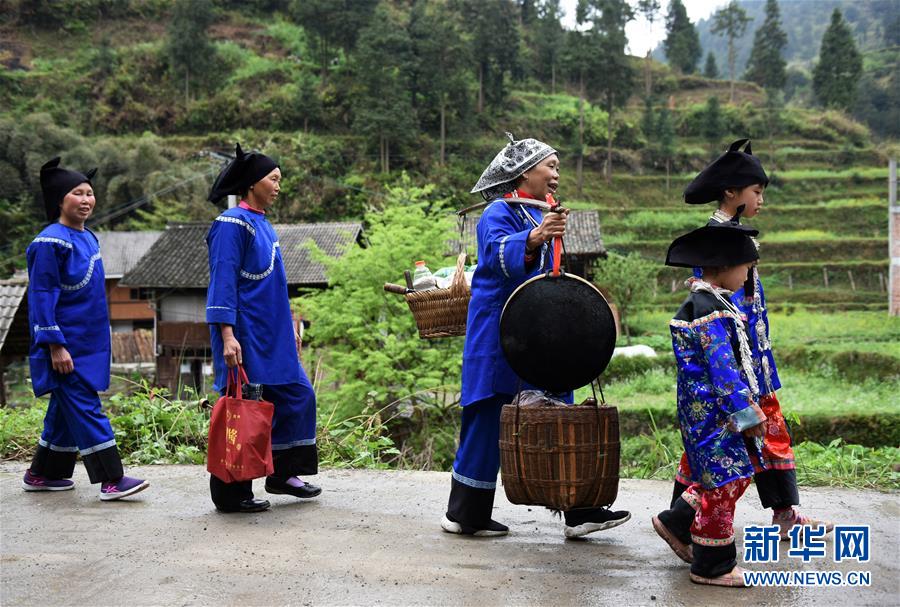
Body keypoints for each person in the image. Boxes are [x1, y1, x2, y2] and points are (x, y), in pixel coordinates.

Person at [441, 133, 631, 538]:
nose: (557, 174)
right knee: (488, 418)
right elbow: (496, 255)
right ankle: (466, 513)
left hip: (541, 334)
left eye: (558, 167)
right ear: (525, 172)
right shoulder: (499, 212)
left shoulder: (540, 211)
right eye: (551, 166)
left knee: (561, 413)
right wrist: (534, 238)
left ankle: (579, 509)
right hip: (499, 335)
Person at [653, 140, 832, 565]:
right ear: (731, 192)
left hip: (751, 361)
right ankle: (690, 521)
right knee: (734, 441)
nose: (761, 200)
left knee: (744, 438)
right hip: (733, 367)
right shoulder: (717, 243)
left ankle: (695, 517)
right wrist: (739, 374)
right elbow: (720, 314)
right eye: (756, 191)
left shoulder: (735, 236)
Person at [23, 157, 149, 501]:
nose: (86, 200)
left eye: (89, 193)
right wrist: (54, 345)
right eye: (77, 193)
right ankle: (112, 479)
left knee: (65, 410)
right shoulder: (49, 242)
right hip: (65, 346)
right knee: (86, 406)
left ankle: (41, 474)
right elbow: (42, 296)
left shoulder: (88, 237)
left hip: (89, 342)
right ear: (59, 200)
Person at [205, 143, 320, 514]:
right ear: (253, 182)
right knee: (244, 406)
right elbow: (223, 281)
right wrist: (227, 335)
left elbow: (275, 286)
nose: (278, 186)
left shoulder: (264, 224)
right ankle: (230, 493)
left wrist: (291, 329)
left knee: (298, 395)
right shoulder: (231, 224)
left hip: (274, 335)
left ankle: (282, 474)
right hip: (245, 334)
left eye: (279, 179)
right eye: (273, 179)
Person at [655, 220, 768, 587]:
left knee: (720, 476)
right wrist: (747, 413)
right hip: (716, 413)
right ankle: (712, 566)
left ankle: (676, 522)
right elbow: (723, 369)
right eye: (746, 267)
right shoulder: (710, 311)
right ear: (724, 266)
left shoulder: (708, 302)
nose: (748, 276)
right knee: (727, 480)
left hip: (702, 411)